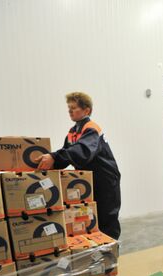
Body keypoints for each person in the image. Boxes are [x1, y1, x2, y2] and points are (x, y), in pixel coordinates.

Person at [37, 92, 121, 239]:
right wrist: (49, 162)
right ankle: (96, 251)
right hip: (89, 180)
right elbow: (67, 155)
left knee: (106, 219)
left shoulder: (91, 128)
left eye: (74, 108)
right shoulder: (72, 132)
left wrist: (54, 157)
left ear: (86, 110)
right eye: (69, 108)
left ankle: (110, 253)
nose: (70, 111)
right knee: (90, 217)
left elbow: (83, 151)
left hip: (105, 181)